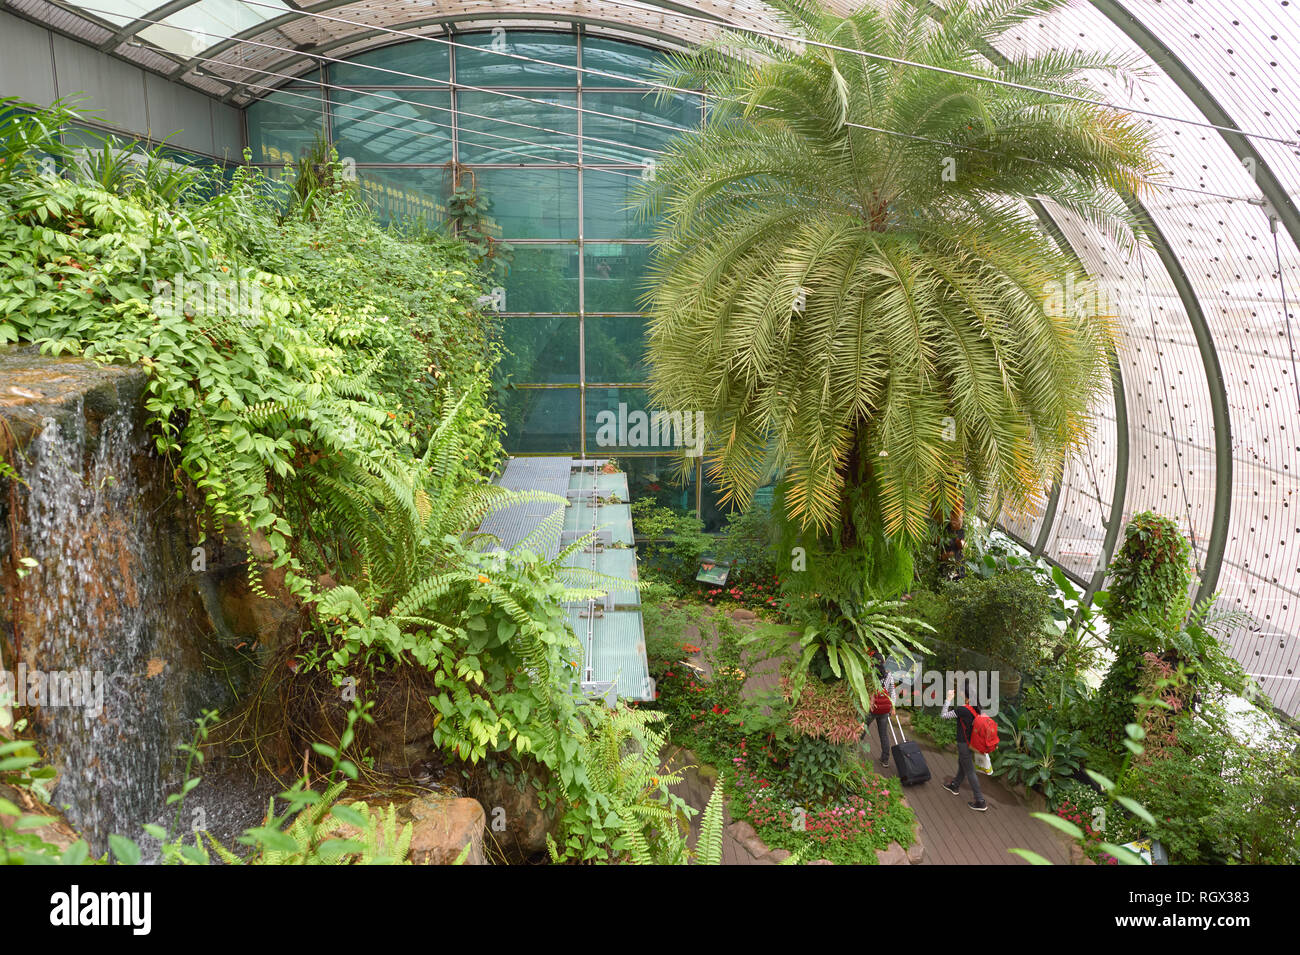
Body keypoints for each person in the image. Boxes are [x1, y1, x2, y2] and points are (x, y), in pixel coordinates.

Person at [940, 682, 987, 812]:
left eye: (960, 691)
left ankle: (980, 801)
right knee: (963, 764)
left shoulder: (963, 709)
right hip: (972, 743)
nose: (959, 693)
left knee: (970, 770)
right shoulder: (977, 707)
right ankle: (955, 785)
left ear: (964, 694)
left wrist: (948, 699)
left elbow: (943, 715)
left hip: (964, 744)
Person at [867, 663, 897, 767]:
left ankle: (852, 753)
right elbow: (892, 692)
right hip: (884, 709)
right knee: (884, 735)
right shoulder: (889, 675)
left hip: (872, 709)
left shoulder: (872, 675)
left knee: (861, 730)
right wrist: (893, 707)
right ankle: (885, 760)